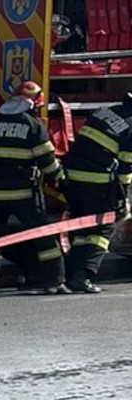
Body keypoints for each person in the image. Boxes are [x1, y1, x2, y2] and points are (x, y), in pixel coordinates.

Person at [0, 82, 66, 294]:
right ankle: (54, 281)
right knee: (43, 236)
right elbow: (47, 162)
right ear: (33, 105)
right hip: (24, 193)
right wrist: (63, 180)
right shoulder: (33, 126)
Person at [61, 89, 132, 294]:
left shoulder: (105, 111)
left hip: (73, 176)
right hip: (96, 181)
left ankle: (71, 274)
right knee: (103, 229)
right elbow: (126, 166)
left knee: (82, 228)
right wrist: (123, 197)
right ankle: (82, 277)